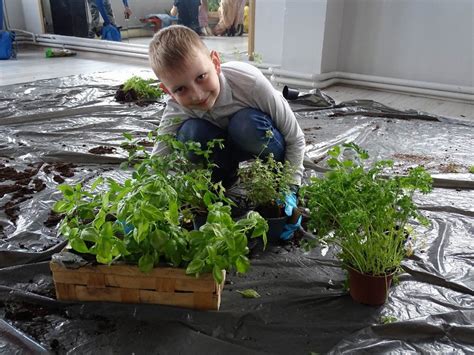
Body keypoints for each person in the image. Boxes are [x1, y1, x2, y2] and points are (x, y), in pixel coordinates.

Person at [148, 25, 305, 239]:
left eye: (201, 76)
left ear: (215, 62)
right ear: (167, 91)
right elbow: (158, 160)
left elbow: (295, 138)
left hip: (259, 143)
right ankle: (223, 178)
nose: (197, 94)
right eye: (180, 89)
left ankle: (275, 180)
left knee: (245, 124)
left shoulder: (250, 84)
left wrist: (291, 188)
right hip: (223, 151)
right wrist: (140, 203)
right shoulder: (177, 107)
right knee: (190, 134)